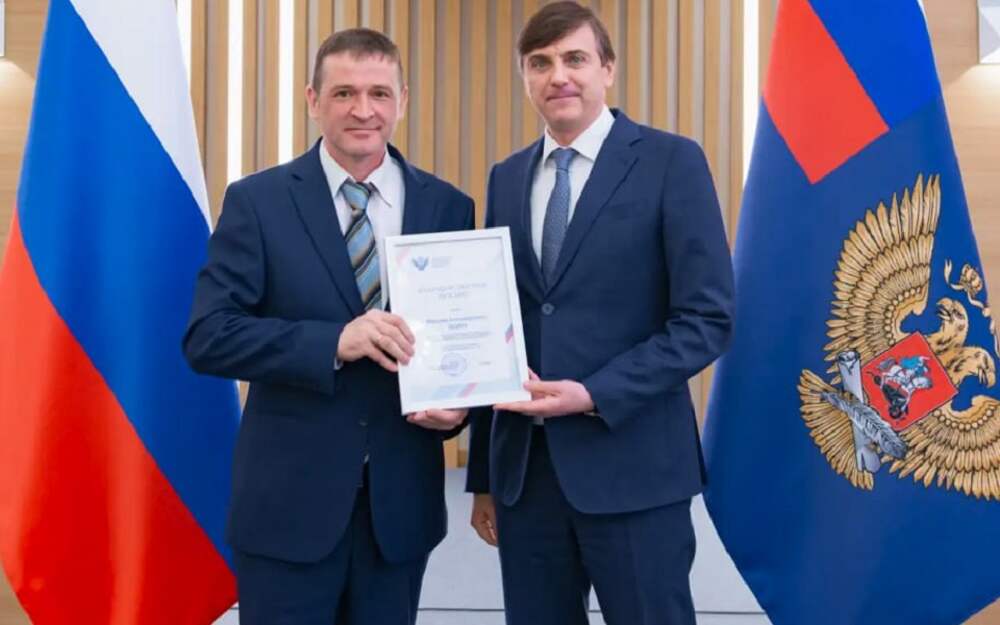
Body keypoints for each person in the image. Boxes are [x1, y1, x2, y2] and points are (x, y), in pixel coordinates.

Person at [184, 28, 471, 625]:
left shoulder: (449, 207)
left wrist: (461, 407)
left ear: (402, 100)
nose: (363, 110)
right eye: (344, 93)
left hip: (399, 514)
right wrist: (333, 342)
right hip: (286, 512)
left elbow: (463, 338)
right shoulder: (258, 202)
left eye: (379, 93)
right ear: (313, 100)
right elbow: (209, 336)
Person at [466, 3, 735, 624]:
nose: (558, 75)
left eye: (575, 59)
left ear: (607, 69)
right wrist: (484, 476)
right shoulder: (506, 177)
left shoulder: (672, 162)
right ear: (525, 78)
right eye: (540, 63)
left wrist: (594, 393)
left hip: (634, 469)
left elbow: (707, 318)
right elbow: (493, 327)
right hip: (527, 479)